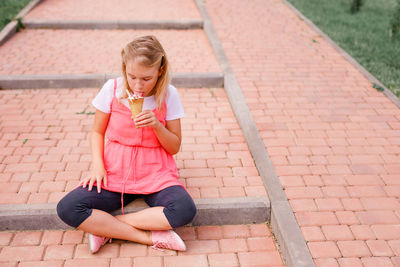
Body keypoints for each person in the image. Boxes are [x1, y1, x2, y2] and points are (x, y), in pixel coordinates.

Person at [57, 35, 197, 254]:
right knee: (68, 207)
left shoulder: (169, 94)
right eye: (132, 77)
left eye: (146, 78)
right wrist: (97, 166)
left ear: (160, 71)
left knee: (184, 209)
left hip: (155, 172)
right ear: (124, 68)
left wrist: (157, 126)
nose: (138, 85)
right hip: (115, 170)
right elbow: (97, 131)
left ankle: (106, 227)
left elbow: (174, 147)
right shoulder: (111, 89)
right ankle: (146, 238)